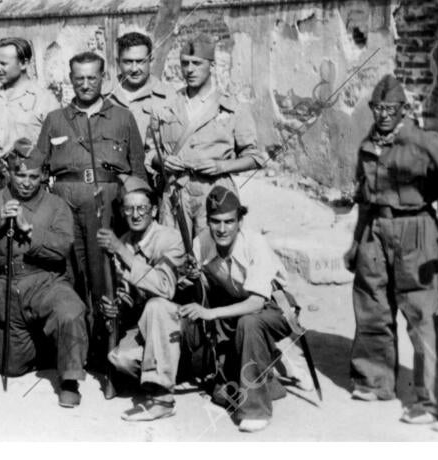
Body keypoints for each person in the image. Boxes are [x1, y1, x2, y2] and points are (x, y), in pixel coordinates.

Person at [344, 73, 438, 424]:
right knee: (372, 304)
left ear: (403, 109)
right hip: (375, 228)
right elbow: (365, 194)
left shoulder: (423, 140)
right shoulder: (369, 142)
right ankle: (374, 380)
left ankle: (429, 398)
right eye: (377, 107)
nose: (382, 114)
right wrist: (355, 242)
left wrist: (422, 146)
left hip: (415, 228)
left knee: (422, 312)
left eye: (390, 108)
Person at [32, 51, 146, 396]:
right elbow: (37, 169)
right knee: (68, 282)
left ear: (103, 77)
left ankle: (109, 361)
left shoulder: (123, 118)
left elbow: (137, 172)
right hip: (64, 207)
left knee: (106, 284)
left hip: (107, 208)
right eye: (78, 78)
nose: (85, 84)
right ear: (70, 79)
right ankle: (72, 369)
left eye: (92, 78)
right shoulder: (55, 119)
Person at [0, 137, 87, 408]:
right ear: (9, 173)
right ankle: (44, 345)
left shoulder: (56, 205)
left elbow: (63, 246)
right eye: (20, 175)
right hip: (4, 284)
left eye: (33, 176)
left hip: (45, 281)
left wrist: (29, 229)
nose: (26, 182)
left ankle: (69, 378)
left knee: (70, 311)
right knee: (9, 366)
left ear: (43, 175)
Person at [180, 185, 295, 433]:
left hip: (276, 307)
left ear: (240, 221)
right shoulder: (201, 242)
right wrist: (192, 277)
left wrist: (211, 313)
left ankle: (256, 410)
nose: (222, 229)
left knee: (249, 323)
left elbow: (256, 303)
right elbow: (202, 287)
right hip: (235, 304)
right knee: (222, 393)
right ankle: (269, 380)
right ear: (207, 221)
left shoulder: (255, 242)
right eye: (215, 221)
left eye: (229, 222)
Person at [150, 34, 265, 237]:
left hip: (215, 193)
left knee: (213, 256)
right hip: (176, 193)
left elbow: (255, 157)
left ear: (211, 66)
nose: (190, 69)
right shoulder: (167, 105)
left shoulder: (232, 107)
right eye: (185, 63)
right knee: (172, 254)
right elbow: (150, 151)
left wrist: (223, 166)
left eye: (197, 63)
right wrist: (163, 161)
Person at [101, 176, 187, 422]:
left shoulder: (170, 239)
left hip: (184, 328)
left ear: (155, 210)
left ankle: (162, 399)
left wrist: (122, 252)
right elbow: (130, 296)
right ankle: (167, 370)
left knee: (157, 305)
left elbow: (164, 288)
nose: (135, 215)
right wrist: (116, 305)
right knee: (119, 358)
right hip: (152, 332)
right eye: (129, 209)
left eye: (142, 209)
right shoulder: (126, 241)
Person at [0, 37, 59, 210]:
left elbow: (57, 147)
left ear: (24, 63)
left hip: (25, 186)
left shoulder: (44, 100)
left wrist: (22, 149)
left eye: (3, 64)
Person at [105, 31, 169, 177]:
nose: (134, 69)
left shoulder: (169, 97)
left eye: (140, 61)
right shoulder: (103, 96)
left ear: (151, 60)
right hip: (109, 182)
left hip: (151, 181)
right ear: (117, 61)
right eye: (128, 62)